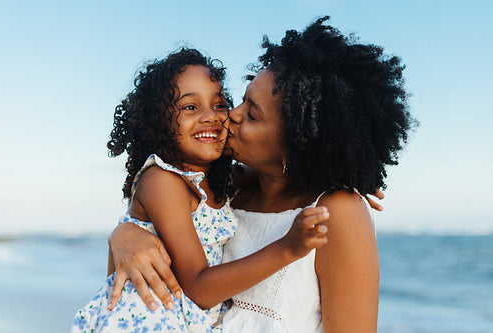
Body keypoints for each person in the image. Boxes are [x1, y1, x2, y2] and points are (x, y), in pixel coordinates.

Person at [107, 16, 416, 332]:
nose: (231, 116)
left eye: (252, 114)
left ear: (297, 144)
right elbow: (159, 233)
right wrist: (123, 236)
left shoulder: (334, 213)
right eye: (240, 100)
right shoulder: (226, 190)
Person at [71, 48, 329, 333]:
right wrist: (287, 248)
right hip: (149, 319)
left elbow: (282, 174)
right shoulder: (163, 181)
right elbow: (198, 287)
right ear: (158, 123)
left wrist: (347, 177)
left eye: (219, 104)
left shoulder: (221, 179)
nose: (211, 117)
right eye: (190, 107)